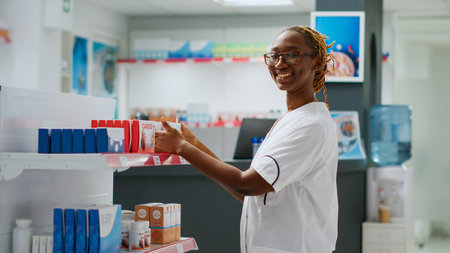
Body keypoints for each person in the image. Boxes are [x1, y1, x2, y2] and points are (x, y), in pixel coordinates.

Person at [155, 25, 338, 253]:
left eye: (292, 54)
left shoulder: (311, 125)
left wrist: (182, 148)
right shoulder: (291, 120)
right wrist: (194, 143)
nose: (280, 64)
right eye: (274, 56)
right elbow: (252, 193)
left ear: (317, 62)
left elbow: (246, 184)